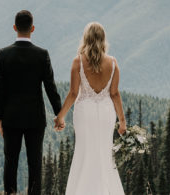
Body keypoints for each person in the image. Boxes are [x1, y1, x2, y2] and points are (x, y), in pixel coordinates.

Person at [0, 10, 63, 195]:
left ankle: (10, 193)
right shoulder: (42, 55)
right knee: (35, 163)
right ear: (32, 29)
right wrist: (59, 114)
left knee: (11, 161)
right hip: (35, 118)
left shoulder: (3, 54)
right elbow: (50, 87)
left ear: (15, 28)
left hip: (11, 117)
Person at [53, 22, 126, 195]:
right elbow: (115, 94)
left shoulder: (78, 61)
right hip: (107, 113)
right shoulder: (113, 63)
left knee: (84, 152)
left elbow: (73, 93)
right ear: (103, 40)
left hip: (84, 112)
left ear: (86, 38)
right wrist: (122, 121)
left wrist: (60, 117)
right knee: (104, 153)